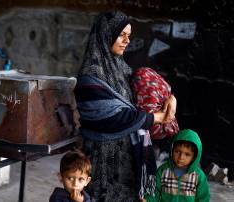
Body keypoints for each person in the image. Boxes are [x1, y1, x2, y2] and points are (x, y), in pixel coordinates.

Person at [74, 11, 177, 201]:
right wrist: (155, 118)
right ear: (107, 34)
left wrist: (171, 98)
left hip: (127, 162)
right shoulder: (90, 76)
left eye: (129, 35)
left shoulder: (122, 68)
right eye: (122, 35)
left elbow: (147, 94)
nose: (127, 40)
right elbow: (110, 119)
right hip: (103, 161)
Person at [143, 129, 210, 202]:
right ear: (172, 150)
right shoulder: (162, 171)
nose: (181, 157)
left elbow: (203, 199)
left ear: (194, 157)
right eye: (177, 152)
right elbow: (154, 194)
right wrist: (147, 200)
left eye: (187, 154)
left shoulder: (199, 176)